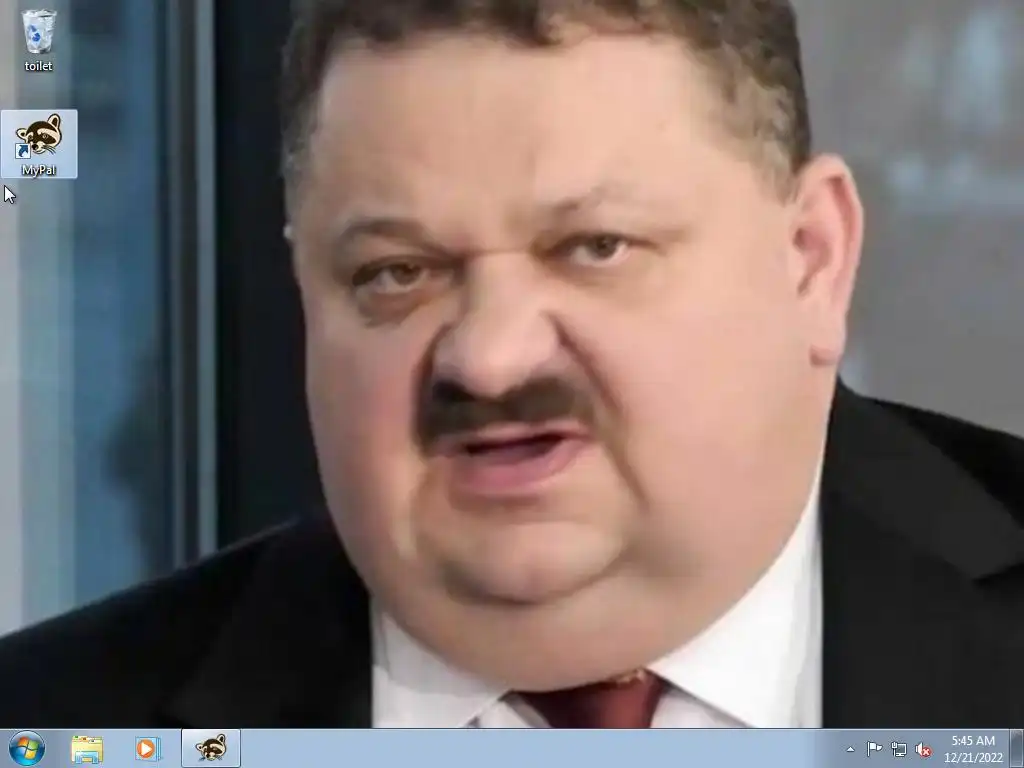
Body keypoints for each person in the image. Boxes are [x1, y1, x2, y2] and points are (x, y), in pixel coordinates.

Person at [2, 0, 1023, 729]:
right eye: (397, 273)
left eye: (594, 248)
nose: (489, 360)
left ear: (811, 260)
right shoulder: (53, 720)